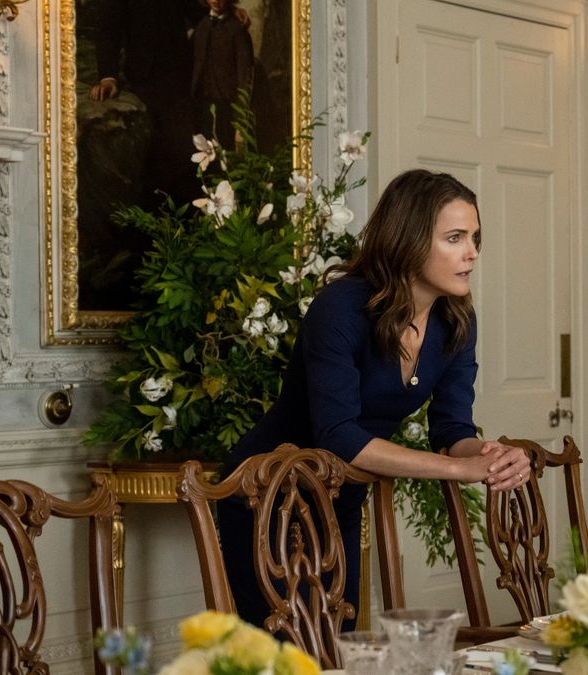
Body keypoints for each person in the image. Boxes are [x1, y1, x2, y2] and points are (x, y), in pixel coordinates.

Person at [217, 169, 531, 629]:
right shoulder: (341, 307)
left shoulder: (456, 321)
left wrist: (491, 456)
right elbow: (338, 435)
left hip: (341, 495)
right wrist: (457, 469)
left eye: (475, 237)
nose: (472, 253)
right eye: (455, 238)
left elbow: (452, 431)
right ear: (409, 239)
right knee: (286, 654)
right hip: (266, 496)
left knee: (338, 643)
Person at [191, 0, 254, 148]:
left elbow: (245, 78)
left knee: (227, 158)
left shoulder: (237, 29)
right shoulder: (202, 27)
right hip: (204, 109)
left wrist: (241, 122)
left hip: (229, 111)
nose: (215, 0)